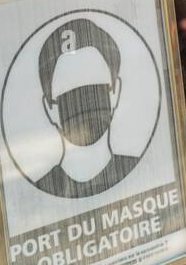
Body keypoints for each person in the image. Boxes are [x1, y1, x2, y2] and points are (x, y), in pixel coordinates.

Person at [34, 17, 139, 199]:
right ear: (49, 108)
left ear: (115, 92)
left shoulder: (143, 171)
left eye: (96, 91)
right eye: (68, 97)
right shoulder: (38, 194)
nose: (85, 106)